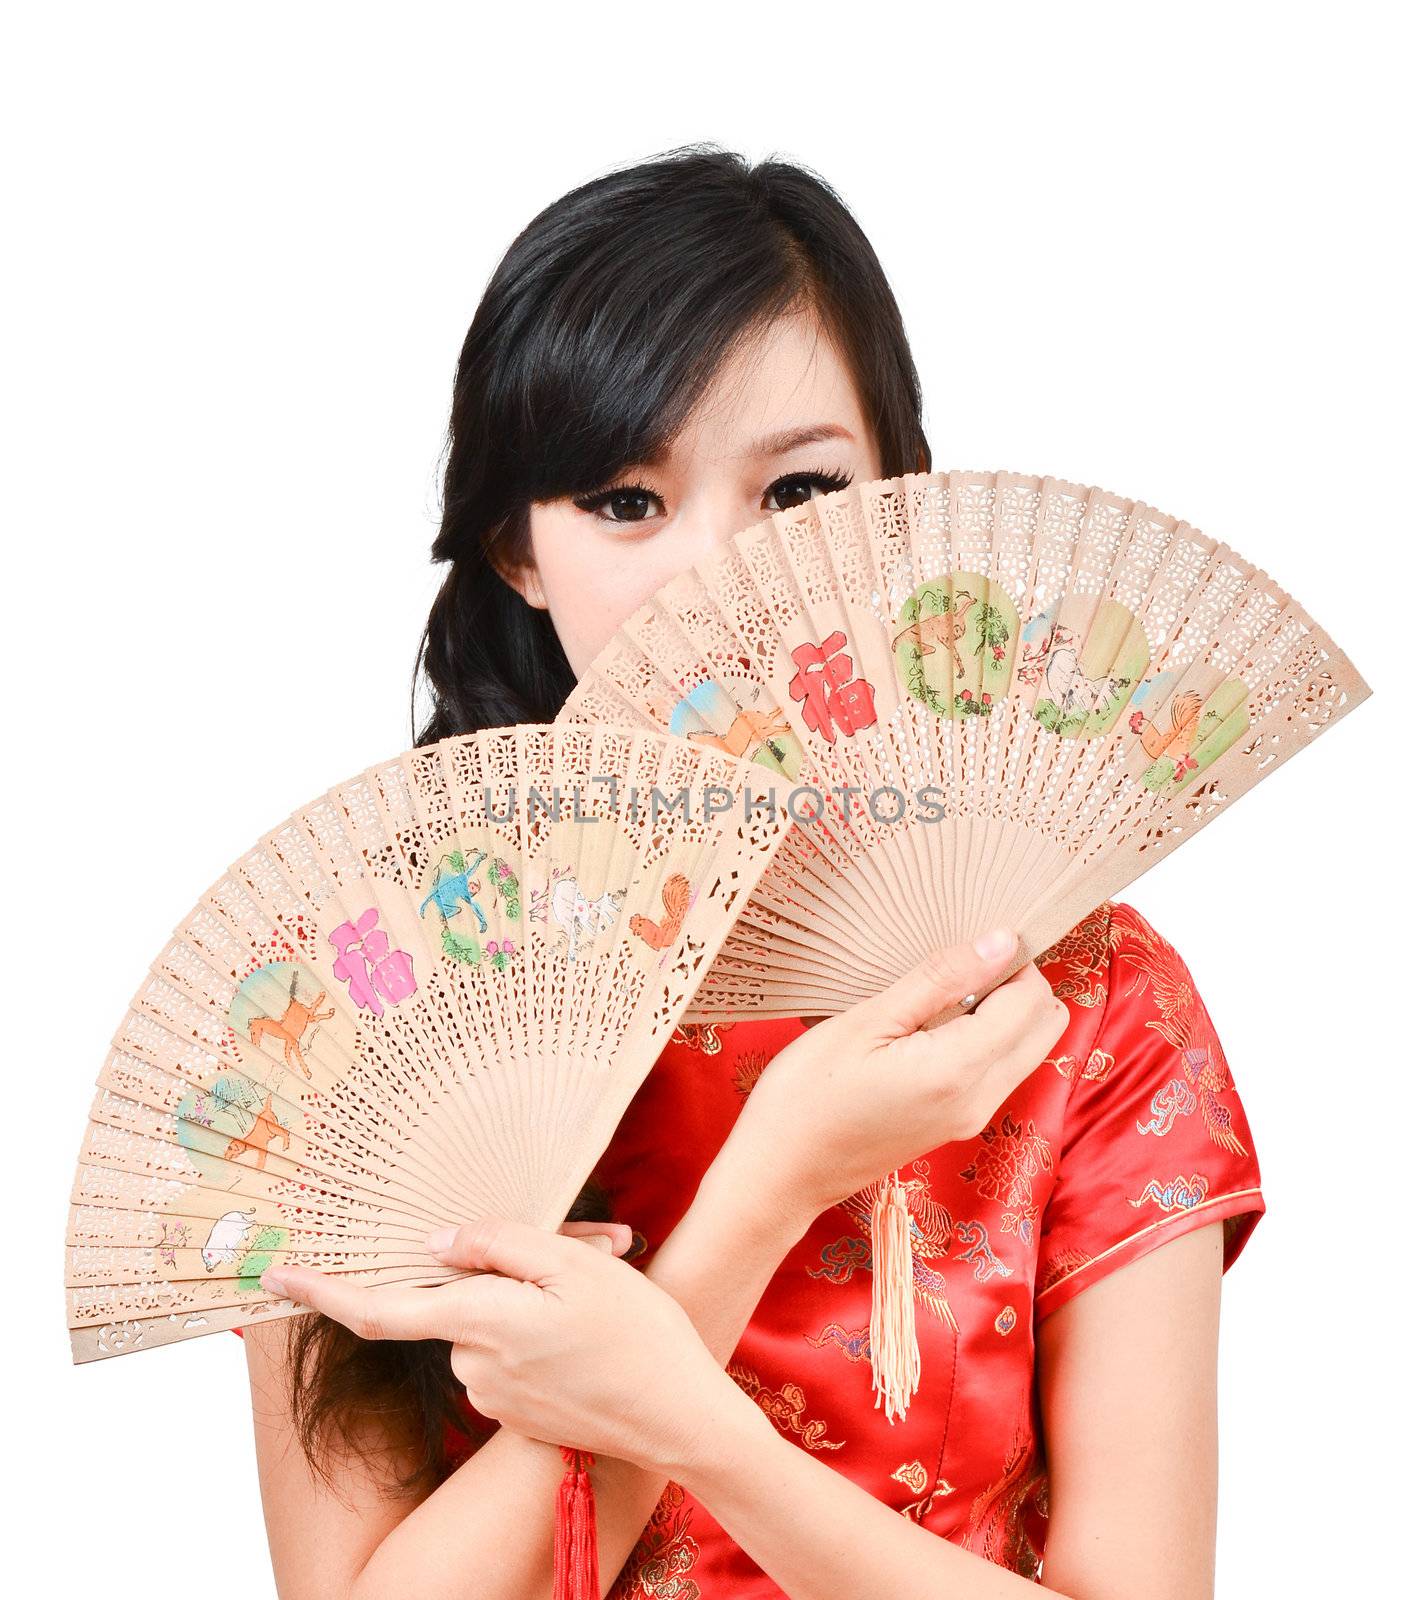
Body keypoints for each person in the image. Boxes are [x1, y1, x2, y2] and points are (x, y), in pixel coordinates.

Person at [243, 144, 1266, 1600]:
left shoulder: (1081, 992)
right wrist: (764, 1191)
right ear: (513, 553)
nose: (717, 578)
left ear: (898, 502)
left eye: (795, 493)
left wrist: (685, 1419)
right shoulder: (377, 987)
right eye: (621, 500)